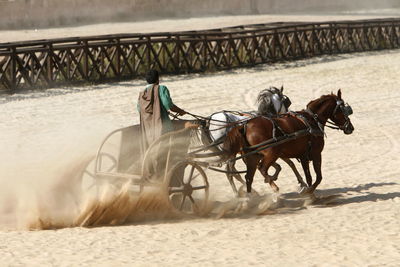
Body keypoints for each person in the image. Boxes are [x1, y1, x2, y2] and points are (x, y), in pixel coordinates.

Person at [137, 69, 187, 152]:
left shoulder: (142, 93)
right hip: (164, 127)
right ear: (157, 79)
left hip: (148, 129)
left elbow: (139, 109)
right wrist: (180, 111)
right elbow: (168, 105)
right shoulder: (161, 89)